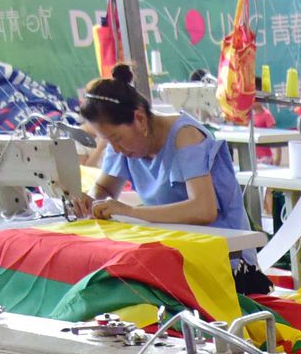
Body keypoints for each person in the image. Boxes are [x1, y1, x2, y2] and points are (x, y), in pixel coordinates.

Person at [74, 64, 250, 232]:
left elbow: (204, 209)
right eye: (108, 141)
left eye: (116, 139)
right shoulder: (122, 144)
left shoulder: (186, 136)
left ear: (140, 119)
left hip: (226, 250)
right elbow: (104, 188)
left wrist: (129, 211)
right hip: (175, 242)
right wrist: (91, 201)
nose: (116, 149)